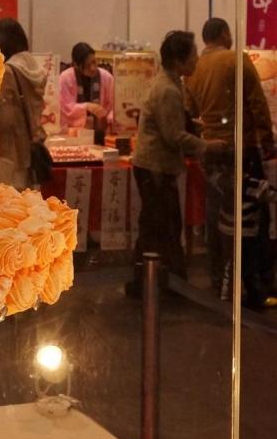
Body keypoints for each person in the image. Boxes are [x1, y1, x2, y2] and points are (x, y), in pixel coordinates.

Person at [185, 17, 275, 302]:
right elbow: (257, 103)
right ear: (224, 34)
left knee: (217, 217)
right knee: (254, 215)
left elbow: (190, 110)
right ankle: (257, 281)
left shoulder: (194, 67)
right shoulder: (236, 59)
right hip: (241, 147)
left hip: (210, 151)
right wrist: (268, 142)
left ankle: (220, 278)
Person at [130, 30, 224, 290]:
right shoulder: (168, 89)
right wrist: (207, 146)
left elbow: (173, 123)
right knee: (162, 226)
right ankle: (159, 284)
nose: (197, 60)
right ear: (178, 61)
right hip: (155, 167)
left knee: (158, 225)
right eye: (193, 55)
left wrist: (194, 125)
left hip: (153, 166)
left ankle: (152, 282)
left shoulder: (171, 83)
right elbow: (173, 136)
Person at [0, 17, 47, 190]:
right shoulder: (36, 69)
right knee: (26, 201)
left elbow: (1, 119)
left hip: (10, 156)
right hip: (29, 155)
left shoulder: (8, 73)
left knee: (8, 202)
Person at [59, 42, 115, 143]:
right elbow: (64, 108)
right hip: (75, 135)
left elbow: (114, 105)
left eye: (94, 62)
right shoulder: (65, 78)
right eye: (88, 65)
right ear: (76, 65)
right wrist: (87, 106)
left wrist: (111, 116)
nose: (93, 68)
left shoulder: (106, 77)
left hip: (103, 133)